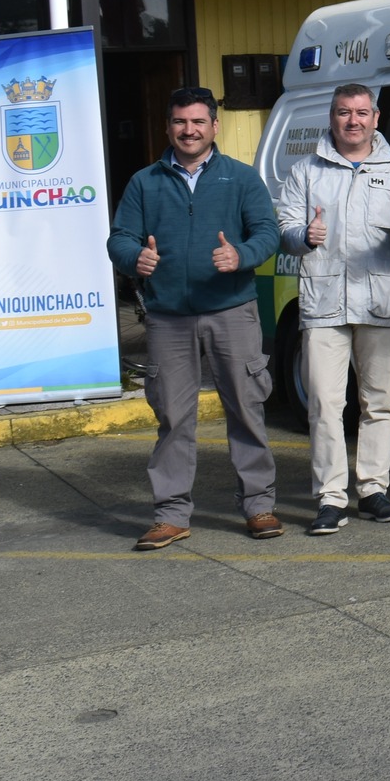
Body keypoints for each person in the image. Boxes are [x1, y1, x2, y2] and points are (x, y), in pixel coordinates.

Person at [107, 86, 283, 550]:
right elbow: (120, 238)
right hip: (168, 319)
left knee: (246, 409)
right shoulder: (144, 182)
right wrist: (133, 261)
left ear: (214, 127)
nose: (189, 130)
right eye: (181, 122)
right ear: (168, 127)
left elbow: (268, 232)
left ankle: (259, 506)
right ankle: (170, 515)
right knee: (173, 417)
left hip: (232, 312)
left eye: (198, 122)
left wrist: (240, 255)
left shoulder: (241, 179)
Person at [276, 83, 390, 537]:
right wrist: (304, 235)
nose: (353, 121)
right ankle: (330, 497)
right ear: (331, 118)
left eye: (362, 113)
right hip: (323, 304)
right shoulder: (305, 172)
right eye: (344, 113)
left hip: (381, 304)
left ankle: (372, 490)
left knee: (379, 403)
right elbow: (284, 227)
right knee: (325, 404)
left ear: (376, 118)